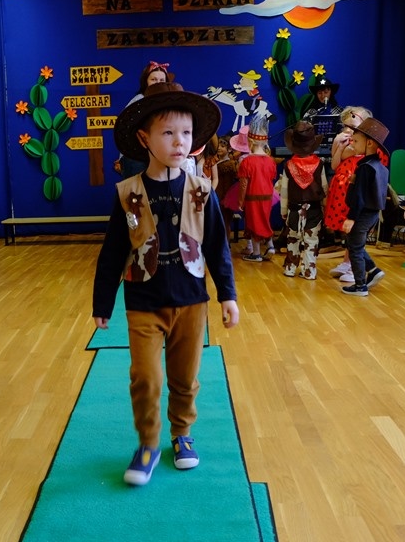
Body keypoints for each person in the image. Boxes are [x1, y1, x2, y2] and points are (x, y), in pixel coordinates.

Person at [94, 82, 239, 487]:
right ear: (145, 138)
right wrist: (102, 302)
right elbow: (112, 251)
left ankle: (182, 433)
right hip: (143, 300)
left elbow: (217, 247)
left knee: (185, 377)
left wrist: (227, 295)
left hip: (191, 300)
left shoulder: (202, 191)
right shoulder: (128, 193)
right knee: (145, 377)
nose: (179, 142)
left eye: (186, 133)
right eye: (168, 132)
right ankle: (147, 444)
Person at [340, 117, 390, 296]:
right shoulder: (379, 167)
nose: (352, 143)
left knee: (354, 248)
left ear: (369, 143)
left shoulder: (365, 168)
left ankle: (360, 285)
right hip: (372, 213)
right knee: (354, 243)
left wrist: (351, 218)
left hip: (362, 213)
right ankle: (373, 271)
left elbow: (360, 197)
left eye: (356, 141)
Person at [324, 106, 374, 282]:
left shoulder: (364, 145)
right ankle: (346, 262)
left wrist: (348, 146)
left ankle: (354, 267)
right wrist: (338, 146)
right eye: (345, 126)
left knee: (355, 230)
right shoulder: (344, 141)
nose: (348, 130)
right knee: (346, 229)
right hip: (342, 192)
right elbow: (334, 165)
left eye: (353, 127)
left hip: (357, 192)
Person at [279, 120, 327, 279]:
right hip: (314, 210)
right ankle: (309, 271)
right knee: (311, 241)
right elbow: (324, 188)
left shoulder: (289, 165)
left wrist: (283, 211)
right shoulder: (319, 164)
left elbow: (284, 191)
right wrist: (325, 207)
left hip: (294, 209)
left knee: (292, 238)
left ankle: (290, 268)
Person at [114, 60, 171, 179]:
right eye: (153, 79)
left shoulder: (168, 102)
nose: (157, 83)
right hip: (135, 154)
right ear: (146, 81)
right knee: (138, 187)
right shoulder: (138, 100)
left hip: (157, 154)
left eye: (161, 80)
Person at [237, 113, 277, 262]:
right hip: (267, 197)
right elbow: (271, 179)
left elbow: (243, 184)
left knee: (253, 223)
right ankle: (270, 246)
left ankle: (256, 253)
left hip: (252, 198)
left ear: (250, 141)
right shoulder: (270, 161)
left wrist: (241, 202)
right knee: (264, 220)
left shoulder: (247, 162)